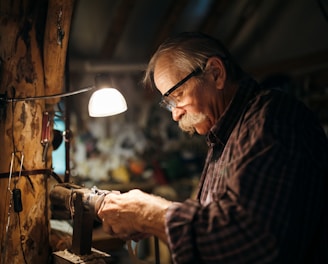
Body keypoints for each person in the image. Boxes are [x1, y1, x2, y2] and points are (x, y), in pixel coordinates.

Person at [98, 32, 328, 263]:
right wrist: (155, 224)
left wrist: (149, 214)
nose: (176, 113)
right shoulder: (224, 136)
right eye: (169, 103)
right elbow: (217, 223)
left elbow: (248, 241)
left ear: (215, 73)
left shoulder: (273, 119)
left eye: (177, 95)